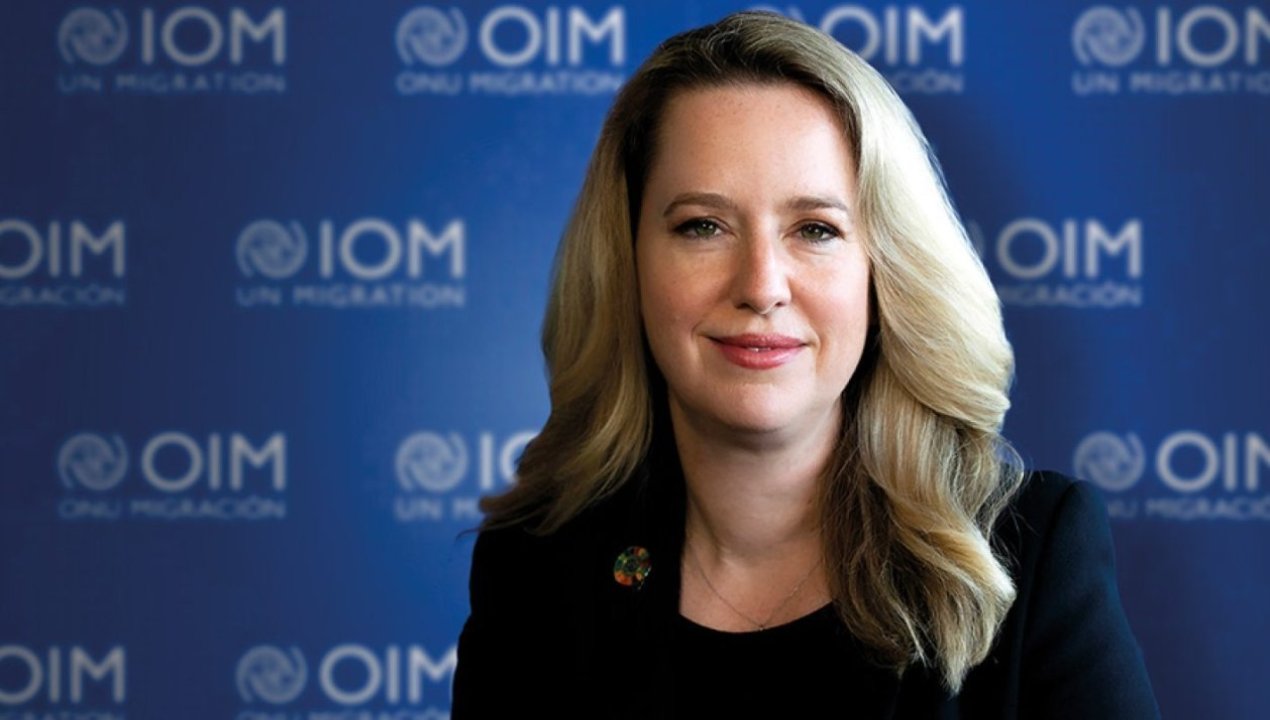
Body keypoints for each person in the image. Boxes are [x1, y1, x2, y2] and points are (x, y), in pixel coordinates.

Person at [452, 10, 1158, 719]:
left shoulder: (1030, 554)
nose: (761, 286)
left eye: (815, 229)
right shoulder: (533, 569)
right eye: (703, 226)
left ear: (884, 270)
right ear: (626, 259)